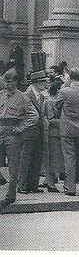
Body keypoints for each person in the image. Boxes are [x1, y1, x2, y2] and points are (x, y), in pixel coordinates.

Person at [0, 69, 35, 211]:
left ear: (16, 82)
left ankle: (10, 195)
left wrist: (22, 128)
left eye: (10, 81)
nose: (7, 84)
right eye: (6, 81)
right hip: (0, 130)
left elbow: (34, 116)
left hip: (13, 133)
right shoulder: (0, 95)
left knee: (13, 166)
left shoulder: (23, 97)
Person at [55, 68, 79, 196]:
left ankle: (70, 187)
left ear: (70, 77)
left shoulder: (64, 91)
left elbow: (57, 105)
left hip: (67, 127)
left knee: (69, 158)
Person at [18, 70, 48, 194]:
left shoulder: (40, 95)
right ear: (36, 83)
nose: (45, 84)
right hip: (29, 130)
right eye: (43, 82)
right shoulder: (27, 95)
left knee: (37, 158)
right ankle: (22, 185)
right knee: (26, 158)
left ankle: (33, 185)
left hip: (38, 130)